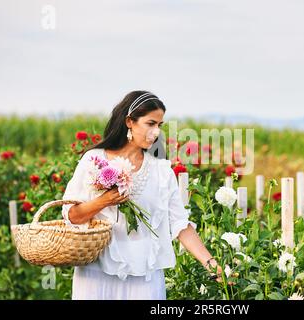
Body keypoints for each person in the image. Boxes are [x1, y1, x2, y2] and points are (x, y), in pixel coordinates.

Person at [61, 90, 222, 299]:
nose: (156, 132)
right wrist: (104, 201)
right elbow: (72, 215)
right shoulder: (93, 161)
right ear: (130, 121)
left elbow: (180, 224)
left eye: (160, 125)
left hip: (145, 275)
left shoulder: (162, 171)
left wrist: (211, 264)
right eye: (150, 123)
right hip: (96, 273)